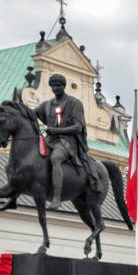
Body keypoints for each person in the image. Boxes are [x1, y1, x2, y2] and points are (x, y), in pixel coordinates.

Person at [34, 74, 101, 209]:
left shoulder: (74, 103)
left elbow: (78, 127)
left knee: (55, 158)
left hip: (67, 141)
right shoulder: (47, 105)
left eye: (58, 85)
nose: (56, 88)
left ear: (64, 86)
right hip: (49, 139)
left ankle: (57, 197)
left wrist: (57, 131)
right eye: (53, 86)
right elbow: (30, 113)